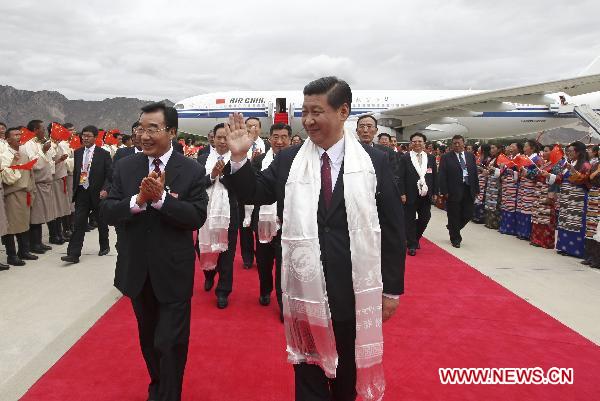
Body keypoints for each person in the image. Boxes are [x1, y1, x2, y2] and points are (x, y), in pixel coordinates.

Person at [223, 77, 404, 401]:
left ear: (343, 111)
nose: (307, 120)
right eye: (304, 112)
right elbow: (257, 192)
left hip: (351, 287)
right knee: (308, 374)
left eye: (316, 111)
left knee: (346, 375)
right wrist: (238, 160)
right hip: (303, 286)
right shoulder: (289, 159)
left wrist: (391, 289)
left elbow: (392, 227)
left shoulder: (374, 162)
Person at [102, 102, 208, 401]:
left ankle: (169, 394)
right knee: (148, 339)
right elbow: (107, 211)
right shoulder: (125, 166)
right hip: (137, 270)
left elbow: (196, 216)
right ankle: (158, 384)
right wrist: (138, 198)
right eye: (140, 128)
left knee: (169, 341)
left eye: (153, 129)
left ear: (171, 132)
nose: (144, 135)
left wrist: (161, 200)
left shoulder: (191, 170)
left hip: (173, 271)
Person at [251, 122, 291, 318]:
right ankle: (265, 290)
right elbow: (253, 189)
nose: (280, 141)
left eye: (284, 137)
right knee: (264, 261)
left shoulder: (295, 161)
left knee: (284, 264)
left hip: (286, 222)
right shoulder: (258, 161)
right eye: (276, 137)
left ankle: (283, 303)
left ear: (290, 140)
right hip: (263, 221)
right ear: (270, 139)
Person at [197, 123, 239, 309]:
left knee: (226, 253)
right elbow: (196, 185)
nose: (222, 141)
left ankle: (223, 291)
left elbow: (241, 188)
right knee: (203, 248)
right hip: (204, 211)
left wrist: (223, 177)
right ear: (212, 137)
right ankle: (209, 274)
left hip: (229, 212)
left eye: (226, 137)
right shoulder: (202, 158)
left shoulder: (237, 160)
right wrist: (212, 176)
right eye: (219, 137)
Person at [61, 125, 112, 263]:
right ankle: (73, 254)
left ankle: (104, 245)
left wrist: (105, 189)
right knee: (78, 223)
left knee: (101, 221)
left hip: (97, 193)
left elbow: (110, 175)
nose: (85, 138)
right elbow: (77, 172)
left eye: (88, 136)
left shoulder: (104, 154)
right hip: (82, 192)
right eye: (83, 135)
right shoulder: (77, 153)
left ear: (95, 138)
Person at [0, 127, 37, 267]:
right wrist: (14, 163)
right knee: (11, 225)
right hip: (12, 193)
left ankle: (24, 251)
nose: (18, 136)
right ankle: (12, 255)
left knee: (24, 222)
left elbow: (30, 173)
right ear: (8, 139)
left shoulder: (23, 153)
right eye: (15, 135)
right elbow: (6, 177)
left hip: (25, 192)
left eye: (19, 134)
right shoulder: (4, 155)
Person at [238, 117, 270, 268]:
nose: (252, 129)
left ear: (260, 128)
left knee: (259, 225)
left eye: (255, 126)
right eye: (249, 126)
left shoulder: (267, 145)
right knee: (244, 229)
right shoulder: (239, 145)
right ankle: (247, 257)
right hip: (244, 192)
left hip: (262, 192)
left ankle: (262, 256)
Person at [398, 132, 437, 256]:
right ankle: (412, 245)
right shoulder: (405, 157)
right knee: (409, 219)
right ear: (411, 144)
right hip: (410, 194)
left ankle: (414, 238)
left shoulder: (430, 158)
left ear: (424, 143)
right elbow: (401, 176)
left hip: (426, 194)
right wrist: (402, 193)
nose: (417, 144)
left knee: (425, 218)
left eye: (420, 141)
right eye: (414, 141)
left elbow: (435, 176)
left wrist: (435, 191)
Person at [438, 134, 479, 248]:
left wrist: (477, 189)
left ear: (463, 143)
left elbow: (474, 173)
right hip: (453, 190)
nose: (456, 145)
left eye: (459, 143)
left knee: (468, 214)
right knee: (453, 215)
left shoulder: (470, 156)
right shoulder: (446, 157)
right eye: (454, 143)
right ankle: (455, 238)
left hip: (468, 188)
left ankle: (453, 227)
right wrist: (444, 191)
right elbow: (442, 175)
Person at [22, 120, 56, 254]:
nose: (45, 131)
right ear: (36, 130)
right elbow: (34, 164)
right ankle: (34, 244)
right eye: (42, 128)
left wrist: (46, 148)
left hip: (45, 182)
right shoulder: (29, 145)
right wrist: (43, 150)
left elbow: (51, 158)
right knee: (35, 215)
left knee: (41, 215)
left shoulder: (41, 142)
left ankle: (39, 242)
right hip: (37, 183)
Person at [556, 141, 591, 258]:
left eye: (571, 151)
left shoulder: (585, 165)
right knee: (565, 221)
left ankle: (575, 250)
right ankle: (563, 247)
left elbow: (585, 180)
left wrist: (573, 171)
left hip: (577, 198)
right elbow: (560, 179)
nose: (569, 153)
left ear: (579, 153)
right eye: (568, 151)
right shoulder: (568, 164)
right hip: (566, 197)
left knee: (575, 222)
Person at [530, 145, 563, 248]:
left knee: (546, 217)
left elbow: (558, 180)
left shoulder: (556, 165)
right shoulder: (544, 164)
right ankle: (536, 239)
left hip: (547, 191)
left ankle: (546, 241)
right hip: (539, 192)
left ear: (552, 153)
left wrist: (551, 194)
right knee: (538, 216)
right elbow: (534, 174)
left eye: (546, 151)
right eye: (543, 151)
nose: (543, 153)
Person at [514, 140, 541, 240]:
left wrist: (527, 172)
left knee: (528, 208)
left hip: (530, 186)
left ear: (532, 148)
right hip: (523, 184)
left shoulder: (537, 159)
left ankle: (526, 233)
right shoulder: (525, 158)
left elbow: (537, 173)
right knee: (522, 207)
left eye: (526, 147)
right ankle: (521, 231)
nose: (524, 149)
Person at [497, 143, 520, 236]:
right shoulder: (509, 158)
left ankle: (510, 228)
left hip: (513, 184)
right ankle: (504, 226)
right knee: (505, 204)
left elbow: (519, 172)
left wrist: (513, 172)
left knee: (511, 205)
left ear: (519, 149)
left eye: (513, 147)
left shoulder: (520, 158)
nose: (511, 148)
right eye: (510, 147)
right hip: (507, 183)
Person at [483, 144, 503, 229]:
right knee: (489, 202)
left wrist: (494, 170)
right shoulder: (492, 158)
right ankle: (489, 222)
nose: (491, 150)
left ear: (498, 149)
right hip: (490, 182)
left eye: (493, 148)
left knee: (495, 204)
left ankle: (494, 223)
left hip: (496, 184)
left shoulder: (501, 158)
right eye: (491, 148)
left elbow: (501, 172)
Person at [472, 144, 491, 224]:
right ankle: (474, 215)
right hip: (477, 178)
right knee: (476, 195)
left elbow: (487, 170)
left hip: (483, 179)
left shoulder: (488, 159)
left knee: (481, 196)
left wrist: (480, 168)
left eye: (480, 147)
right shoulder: (479, 157)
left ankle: (480, 216)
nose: (478, 148)